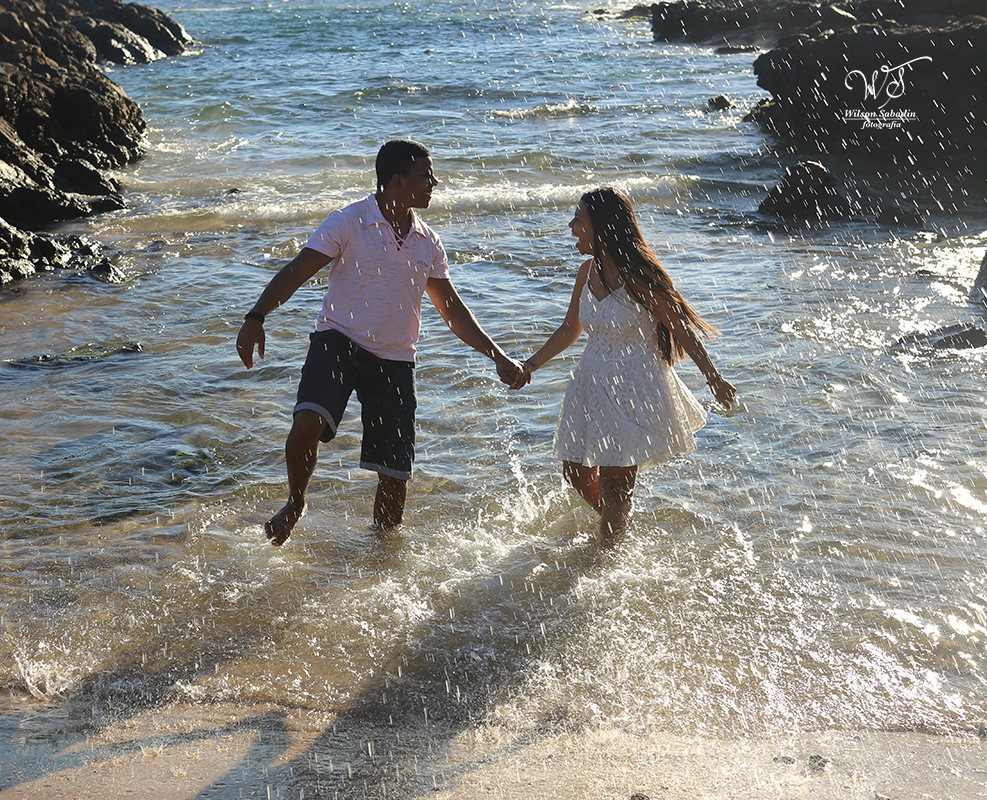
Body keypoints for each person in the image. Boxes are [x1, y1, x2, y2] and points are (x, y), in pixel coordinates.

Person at [236, 139, 523, 546]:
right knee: (306, 425)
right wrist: (256, 316)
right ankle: (297, 501)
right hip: (338, 342)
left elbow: (453, 311)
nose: (434, 183)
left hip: (395, 359)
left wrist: (496, 355)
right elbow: (298, 270)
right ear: (396, 181)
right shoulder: (348, 222)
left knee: (394, 473)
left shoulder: (428, 241)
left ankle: (381, 554)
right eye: (426, 176)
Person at [509, 187, 736, 546]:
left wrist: (714, 378)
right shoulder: (586, 272)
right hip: (589, 382)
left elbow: (680, 328)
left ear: (602, 226)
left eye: (578, 219)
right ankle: (617, 531)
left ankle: (608, 551)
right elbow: (571, 329)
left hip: (633, 386)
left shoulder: (639, 277)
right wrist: (530, 365)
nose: (571, 226)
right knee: (575, 470)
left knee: (616, 484)